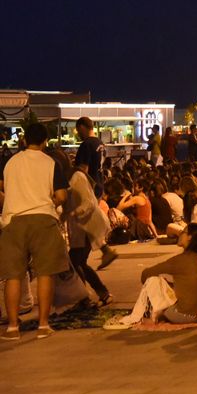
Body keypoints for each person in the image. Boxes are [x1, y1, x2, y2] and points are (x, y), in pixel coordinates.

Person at [0, 123, 69, 340]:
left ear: (24, 140)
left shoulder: (10, 163)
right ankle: (43, 325)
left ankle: (12, 327)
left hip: (13, 221)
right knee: (44, 274)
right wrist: (51, 199)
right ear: (44, 141)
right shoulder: (51, 162)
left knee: (12, 276)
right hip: (43, 219)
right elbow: (62, 196)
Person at [103, 223, 197, 329]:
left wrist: (163, 286)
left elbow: (146, 274)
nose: (180, 234)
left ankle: (146, 315)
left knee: (153, 280)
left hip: (184, 315)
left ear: (190, 237)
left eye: (183, 232)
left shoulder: (181, 260)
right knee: (166, 284)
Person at [64, 160, 113, 305]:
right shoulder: (69, 178)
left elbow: (89, 202)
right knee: (78, 262)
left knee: (75, 261)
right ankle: (94, 295)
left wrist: (73, 213)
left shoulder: (77, 177)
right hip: (81, 227)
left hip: (87, 226)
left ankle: (87, 297)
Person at [74, 116, 104, 196]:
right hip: (99, 185)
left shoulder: (86, 144)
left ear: (82, 127)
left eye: (78, 130)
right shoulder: (100, 143)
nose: (78, 134)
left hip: (90, 188)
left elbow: (83, 170)